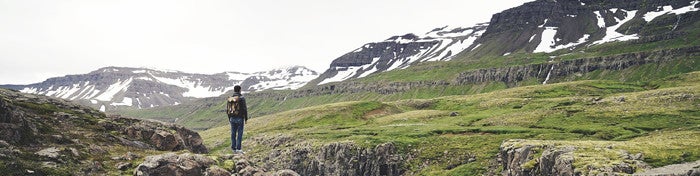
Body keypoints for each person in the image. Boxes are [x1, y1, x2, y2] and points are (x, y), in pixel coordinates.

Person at [226, 85, 248, 154]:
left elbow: (227, 109)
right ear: (240, 90)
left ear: (234, 90)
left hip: (232, 118)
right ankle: (238, 149)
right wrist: (246, 118)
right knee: (239, 133)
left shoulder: (230, 99)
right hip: (240, 118)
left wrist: (230, 118)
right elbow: (244, 109)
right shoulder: (241, 98)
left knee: (233, 133)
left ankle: (233, 148)